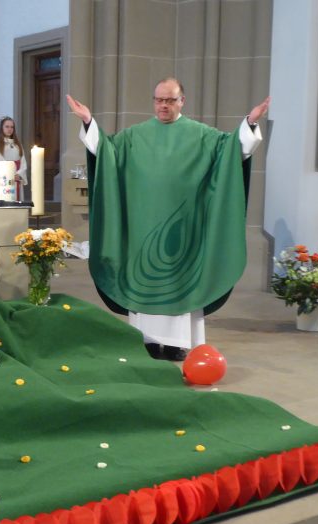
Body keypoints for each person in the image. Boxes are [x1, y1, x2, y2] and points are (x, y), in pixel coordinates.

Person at [66, 78, 269, 361]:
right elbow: (106, 152)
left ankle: (179, 342)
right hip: (142, 225)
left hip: (184, 228)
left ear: (182, 101)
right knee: (144, 279)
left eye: (170, 100)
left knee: (179, 281)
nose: (164, 105)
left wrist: (249, 123)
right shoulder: (134, 137)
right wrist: (89, 121)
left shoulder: (203, 136)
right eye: (159, 100)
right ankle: (146, 340)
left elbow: (231, 151)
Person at [0, 116, 28, 200]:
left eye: (12, 127)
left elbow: (23, 162)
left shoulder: (17, 144)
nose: (9, 129)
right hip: (4, 179)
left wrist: (19, 174)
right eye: (7, 127)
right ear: (2, 128)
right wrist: (9, 174)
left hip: (16, 177)